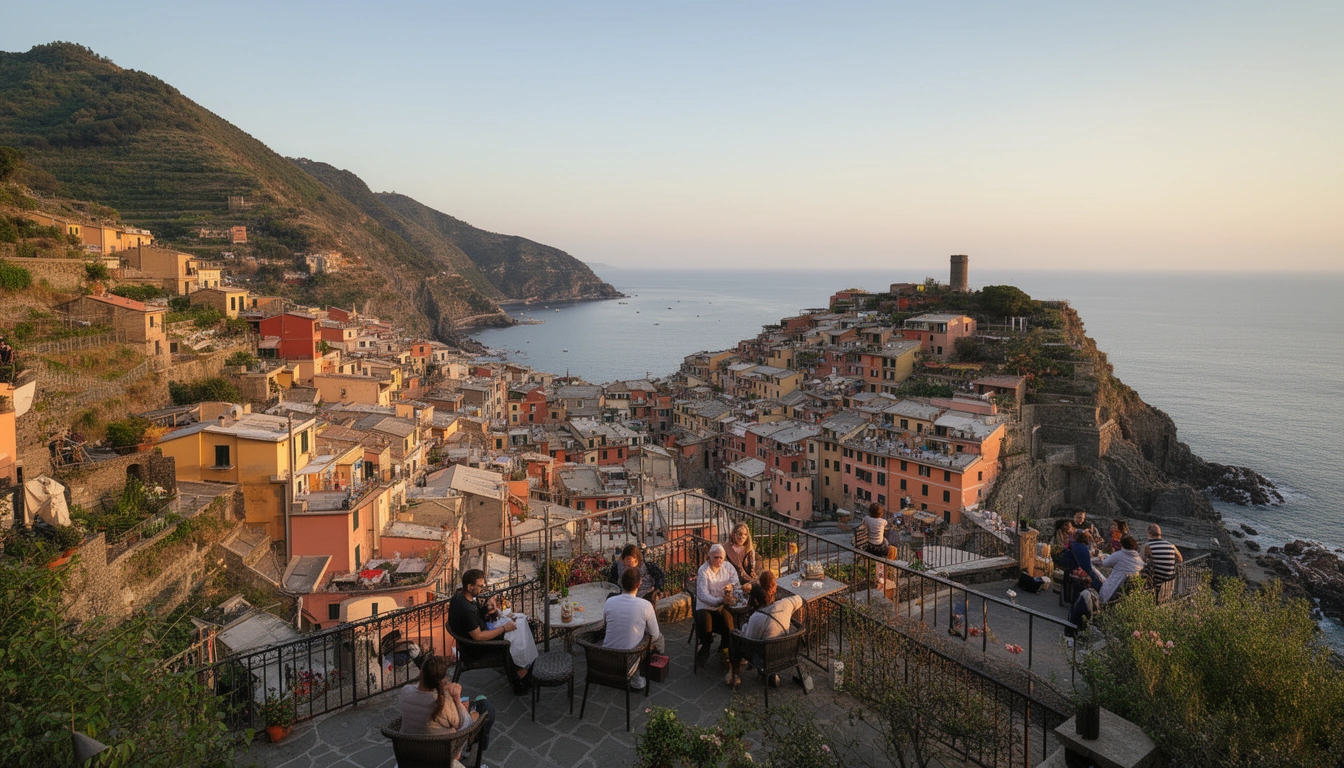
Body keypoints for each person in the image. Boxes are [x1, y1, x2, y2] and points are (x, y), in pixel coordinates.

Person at [448, 569, 533, 695]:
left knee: (516, 625)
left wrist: (486, 611)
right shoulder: (467, 610)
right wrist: (504, 628)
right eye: (480, 586)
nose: (482, 589)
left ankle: (521, 668)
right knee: (515, 633)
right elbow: (478, 636)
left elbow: (473, 620)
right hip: (476, 649)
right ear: (470, 586)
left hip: (469, 643)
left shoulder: (459, 597)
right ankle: (519, 680)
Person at [398, 655, 496, 761]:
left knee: (452, 723)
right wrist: (457, 700)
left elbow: (420, 691)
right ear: (441, 681)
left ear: (421, 673)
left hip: (410, 754)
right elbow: (467, 725)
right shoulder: (443, 702)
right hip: (440, 756)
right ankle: (474, 755)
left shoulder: (405, 692)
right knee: (484, 709)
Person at [727, 570, 804, 686]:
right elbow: (799, 599)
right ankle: (772, 675)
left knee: (735, 637)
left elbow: (749, 642)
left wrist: (744, 628)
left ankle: (734, 676)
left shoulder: (756, 618)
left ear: (756, 600)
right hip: (785, 653)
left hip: (766, 659)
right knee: (767, 634)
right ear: (774, 588)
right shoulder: (786, 604)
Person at [603, 566, 664, 690]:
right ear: (639, 584)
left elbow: (605, 625)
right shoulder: (645, 605)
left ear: (621, 583)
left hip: (605, 659)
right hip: (628, 661)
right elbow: (655, 635)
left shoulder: (609, 602)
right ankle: (642, 674)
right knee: (659, 638)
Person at [694, 543, 741, 667]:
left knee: (729, 624)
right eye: (716, 557)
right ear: (709, 557)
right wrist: (720, 601)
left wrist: (731, 586)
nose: (719, 560)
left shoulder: (728, 567)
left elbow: (736, 581)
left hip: (722, 605)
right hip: (706, 606)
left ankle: (724, 650)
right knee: (706, 625)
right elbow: (703, 595)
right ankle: (704, 650)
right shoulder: (703, 570)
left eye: (721, 557)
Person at [1099, 535, 1145, 603]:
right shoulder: (1139, 559)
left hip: (1114, 586)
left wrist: (1102, 558)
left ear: (1122, 545)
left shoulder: (1118, 555)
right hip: (1129, 589)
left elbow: (1105, 563)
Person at [1140, 523, 1183, 593]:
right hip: (1170, 580)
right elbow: (1180, 559)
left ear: (1149, 533)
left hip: (1156, 581)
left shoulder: (1148, 546)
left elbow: (1142, 561)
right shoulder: (1171, 545)